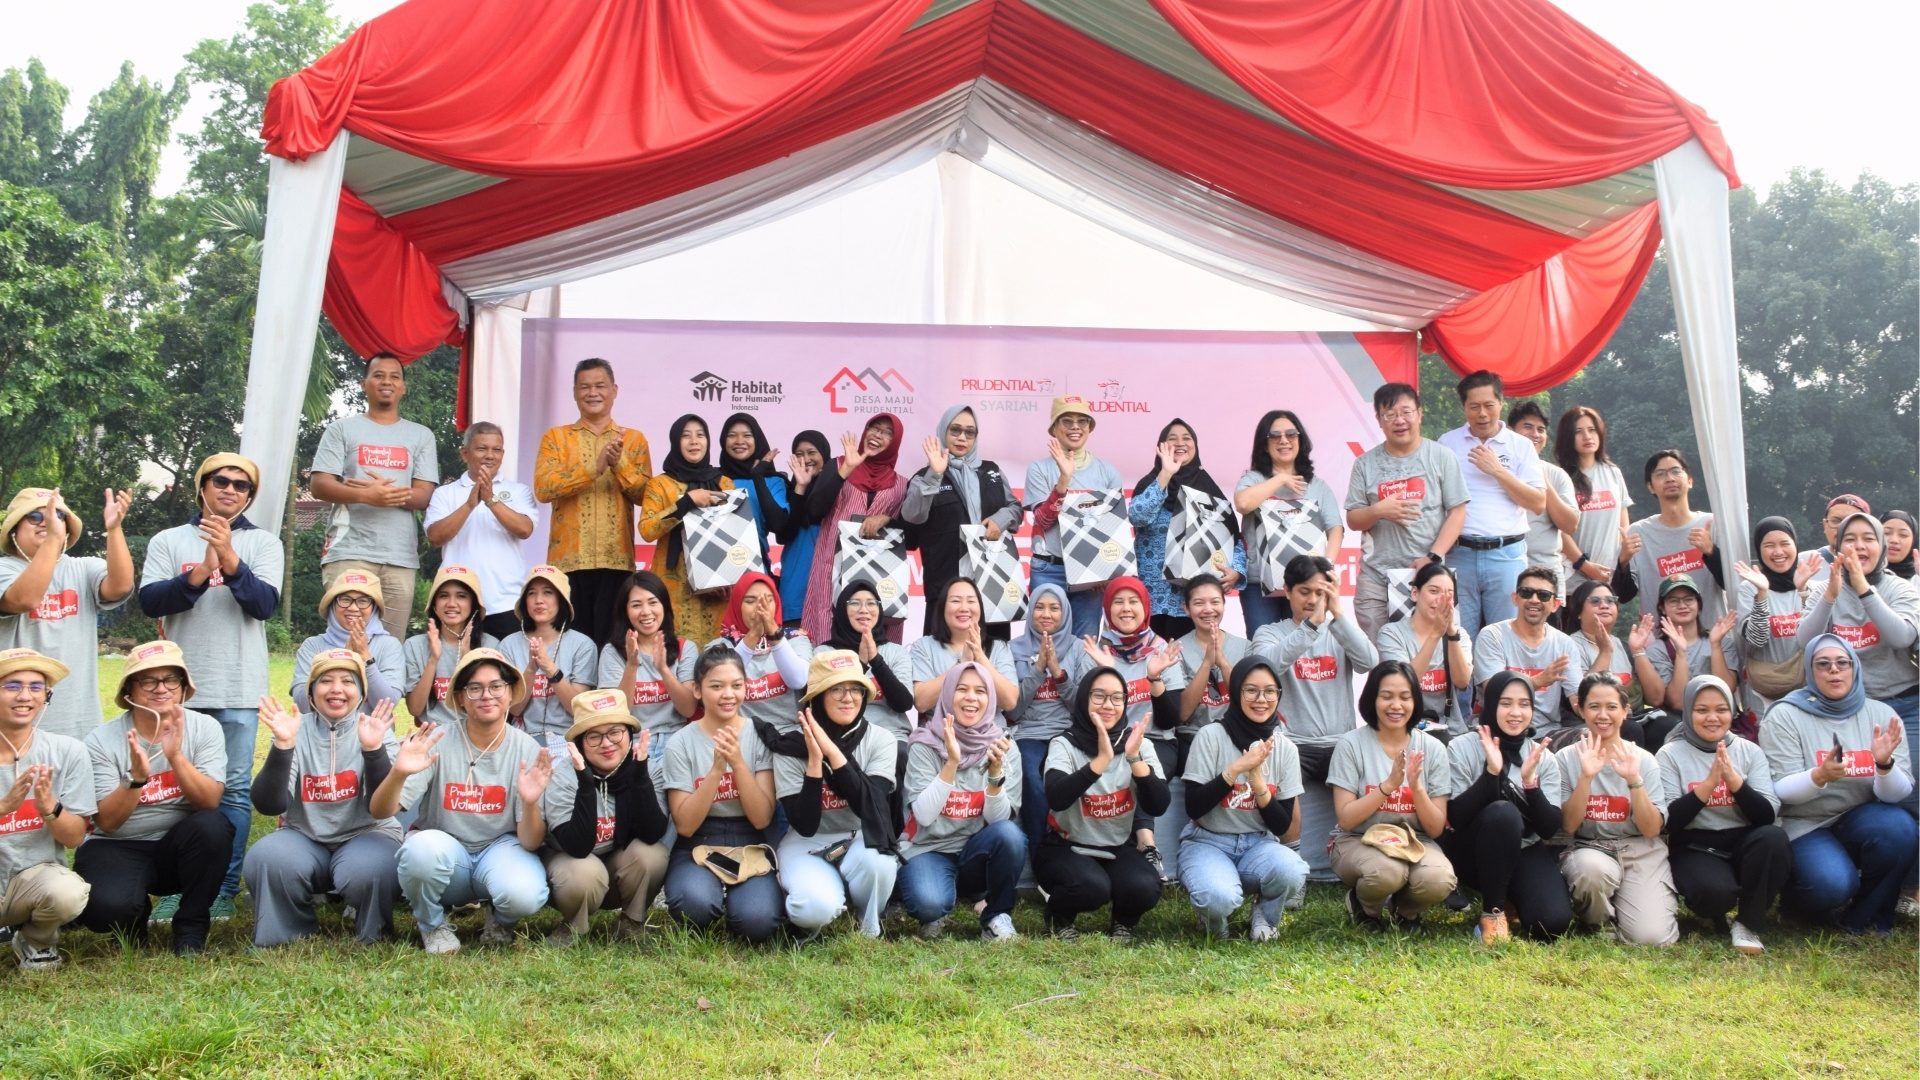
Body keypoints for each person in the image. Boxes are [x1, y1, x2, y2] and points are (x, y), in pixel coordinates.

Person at [137, 452, 283, 920]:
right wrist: (201, 570)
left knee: (234, 791)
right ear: (202, 486)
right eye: (221, 481)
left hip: (239, 687)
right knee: (181, 788)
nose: (231, 490)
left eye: (242, 486)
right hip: (178, 690)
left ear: (249, 496)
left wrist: (231, 559)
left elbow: (263, 605)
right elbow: (150, 600)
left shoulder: (264, 544)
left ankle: (221, 889)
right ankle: (181, 887)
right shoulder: (167, 539)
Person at [373, 648, 553, 954]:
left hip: (500, 849)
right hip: (447, 850)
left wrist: (532, 803)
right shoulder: (438, 739)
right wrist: (399, 773)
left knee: (524, 894)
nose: (487, 695)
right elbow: (381, 810)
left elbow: (531, 841)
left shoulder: (526, 748)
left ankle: (501, 920)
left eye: (497, 686)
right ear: (459, 698)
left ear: (510, 693)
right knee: (418, 852)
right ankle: (431, 924)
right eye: (474, 688)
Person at [74, 641, 232, 953]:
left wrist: (176, 758)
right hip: (117, 846)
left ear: (183, 687)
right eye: (148, 680)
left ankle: (191, 924)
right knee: (105, 910)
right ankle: (133, 919)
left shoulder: (205, 728)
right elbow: (108, 821)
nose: (161, 688)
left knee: (214, 826)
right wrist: (135, 780)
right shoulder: (101, 741)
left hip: (179, 845)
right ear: (129, 691)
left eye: (171, 679)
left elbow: (209, 802)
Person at [242, 651, 402, 948]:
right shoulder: (294, 728)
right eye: (325, 681)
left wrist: (373, 750)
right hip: (303, 834)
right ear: (312, 691)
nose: (336, 689)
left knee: (370, 870)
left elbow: (381, 808)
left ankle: (373, 933)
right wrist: (283, 745)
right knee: (266, 858)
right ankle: (288, 931)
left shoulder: (377, 730)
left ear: (361, 691)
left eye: (347, 681)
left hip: (368, 833)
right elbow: (268, 805)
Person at [1760, 634, 1916, 934]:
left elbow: (1898, 793)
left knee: (1901, 829)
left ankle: (1862, 919)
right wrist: (1818, 776)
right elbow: (1778, 790)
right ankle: (1796, 901)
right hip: (1805, 823)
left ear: (1854, 668)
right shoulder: (1784, 715)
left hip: (1861, 818)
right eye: (1823, 664)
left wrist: (1884, 765)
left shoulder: (1882, 714)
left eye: (1842, 663)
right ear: (1810, 670)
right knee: (1830, 885)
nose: (1834, 670)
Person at [1250, 554, 1378, 881]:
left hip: (1341, 743)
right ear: (1288, 592)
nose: (1312, 599)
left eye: (1320, 592)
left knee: (1376, 787)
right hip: (1292, 744)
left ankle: (1370, 865)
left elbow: (1369, 662)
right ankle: (1289, 872)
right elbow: (1265, 668)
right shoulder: (1271, 632)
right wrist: (1309, 628)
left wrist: (1338, 613)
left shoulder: (1340, 630)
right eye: (1304, 591)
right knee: (1279, 787)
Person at [1654, 674, 1788, 954]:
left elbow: (1766, 815)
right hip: (1694, 845)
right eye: (1702, 710)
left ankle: (1748, 923)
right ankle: (1714, 912)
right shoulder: (1669, 754)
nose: (1712, 717)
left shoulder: (1749, 751)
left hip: (1744, 840)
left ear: (1731, 711)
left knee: (1773, 839)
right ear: (1689, 712)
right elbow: (1669, 821)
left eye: (1721, 709)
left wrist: (1734, 781)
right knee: (1714, 894)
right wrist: (1709, 784)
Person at [1542, 672, 1679, 946]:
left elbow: (1652, 829)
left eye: (1612, 707)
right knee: (1591, 871)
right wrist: (1586, 777)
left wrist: (1634, 782)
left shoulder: (1645, 761)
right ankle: (1598, 920)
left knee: (1652, 938)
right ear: (1581, 709)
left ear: (1626, 711)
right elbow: (1568, 825)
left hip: (1640, 850)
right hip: (1591, 848)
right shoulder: (1565, 759)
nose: (1603, 715)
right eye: (1594, 706)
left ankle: (1630, 910)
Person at [1178, 656, 1309, 939]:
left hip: (1258, 844)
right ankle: (1214, 922)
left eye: (1270, 691)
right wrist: (1236, 769)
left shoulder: (1285, 749)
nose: (1261, 699)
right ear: (1236, 692)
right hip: (1208, 841)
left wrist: (1258, 783)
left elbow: (1282, 827)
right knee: (1217, 897)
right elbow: (1194, 807)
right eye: (1251, 690)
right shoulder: (1210, 736)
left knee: (1292, 870)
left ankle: (1265, 916)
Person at [774, 650, 902, 939]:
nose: (849, 697)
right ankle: (827, 894)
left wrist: (831, 752)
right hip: (807, 843)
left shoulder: (882, 739)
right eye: (836, 689)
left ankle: (867, 922)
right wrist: (814, 762)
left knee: (880, 863)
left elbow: (870, 807)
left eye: (855, 688)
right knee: (811, 909)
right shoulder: (789, 744)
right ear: (817, 697)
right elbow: (805, 824)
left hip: (860, 837)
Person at [658, 648, 784, 943]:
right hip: (698, 841)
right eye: (716, 686)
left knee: (758, 921)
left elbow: (762, 816)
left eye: (736, 685)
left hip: (750, 839)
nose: (728, 694)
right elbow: (685, 825)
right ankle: (710, 897)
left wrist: (738, 763)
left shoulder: (760, 734)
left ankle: (741, 904)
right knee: (694, 906)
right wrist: (716, 771)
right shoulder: (681, 742)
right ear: (697, 690)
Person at [309, 354, 440, 638]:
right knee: (345, 642)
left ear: (403, 387)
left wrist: (386, 495)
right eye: (379, 375)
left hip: (400, 557)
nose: (387, 382)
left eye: (395, 376)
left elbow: (424, 495)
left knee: (390, 646)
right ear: (363, 384)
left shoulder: (421, 435)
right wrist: (368, 496)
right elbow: (319, 484)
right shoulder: (342, 429)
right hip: (349, 552)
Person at [1035, 668, 1169, 940]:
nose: (1108, 705)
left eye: (1117, 698)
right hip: (1065, 846)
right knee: (1092, 888)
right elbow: (1057, 798)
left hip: (1117, 845)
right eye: (1099, 696)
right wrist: (1100, 762)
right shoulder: (1064, 743)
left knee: (1145, 886)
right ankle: (1058, 917)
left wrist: (1134, 760)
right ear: (1084, 698)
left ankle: (1123, 921)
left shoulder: (1137, 743)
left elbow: (1158, 805)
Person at [898, 662, 1026, 940]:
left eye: (980, 691)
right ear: (947, 695)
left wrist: (994, 777)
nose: (971, 697)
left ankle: (996, 915)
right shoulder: (925, 743)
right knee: (929, 903)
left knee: (1011, 835)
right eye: (961, 689)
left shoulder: (1003, 746)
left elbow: (999, 822)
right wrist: (952, 763)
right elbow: (923, 816)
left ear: (990, 699)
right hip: (928, 848)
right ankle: (941, 903)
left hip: (974, 849)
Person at [533, 358, 654, 648]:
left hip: (617, 561)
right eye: (585, 387)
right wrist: (594, 468)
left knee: (613, 643)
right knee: (570, 644)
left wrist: (620, 464)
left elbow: (645, 496)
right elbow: (544, 488)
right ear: (574, 392)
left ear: (614, 390)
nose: (593, 392)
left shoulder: (634, 439)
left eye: (600, 386)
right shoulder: (557, 437)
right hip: (568, 563)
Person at [1443, 672, 1572, 943]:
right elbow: (1456, 816)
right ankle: (1493, 913)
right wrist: (1491, 773)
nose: (1516, 712)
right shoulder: (1462, 748)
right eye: (1506, 703)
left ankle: (1511, 896)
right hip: (1473, 850)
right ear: (1490, 705)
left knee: (1551, 924)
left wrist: (1529, 784)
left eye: (1524, 704)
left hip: (1524, 848)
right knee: (1503, 813)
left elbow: (1549, 828)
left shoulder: (1542, 756)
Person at [1329, 662, 1457, 931]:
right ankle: (1366, 908)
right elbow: (1347, 819)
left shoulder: (1432, 748)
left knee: (1440, 879)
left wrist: (1416, 787)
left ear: (1415, 701)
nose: (1396, 705)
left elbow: (1434, 828)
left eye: (1404, 697)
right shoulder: (1351, 745)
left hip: (1417, 840)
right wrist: (1388, 786)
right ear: (1372, 698)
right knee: (1387, 872)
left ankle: (1406, 913)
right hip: (1359, 839)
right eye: (1386, 696)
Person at [0, 486, 134, 740]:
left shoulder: (83, 568)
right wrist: (52, 537)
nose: (47, 523)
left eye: (58, 517)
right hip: (14, 729)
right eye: (36, 517)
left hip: (80, 724)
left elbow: (120, 586)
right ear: (14, 528)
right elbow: (24, 599)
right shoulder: (4, 568)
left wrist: (114, 530)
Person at [540, 688, 670, 946]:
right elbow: (576, 846)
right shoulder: (563, 776)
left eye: (615, 732)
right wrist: (586, 784)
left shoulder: (646, 768)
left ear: (628, 733)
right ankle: (574, 927)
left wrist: (640, 776)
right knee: (586, 872)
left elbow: (652, 832)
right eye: (594, 737)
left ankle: (632, 922)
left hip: (615, 864)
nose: (607, 743)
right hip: (570, 864)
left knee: (652, 854)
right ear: (580, 744)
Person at [1077, 577, 1185, 881]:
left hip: (1156, 739)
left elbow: (1168, 721)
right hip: (1109, 740)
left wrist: (1154, 679)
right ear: (1107, 609)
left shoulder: (1163, 651)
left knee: (1139, 769)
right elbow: (1088, 716)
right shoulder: (1097, 653)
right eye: (1118, 602)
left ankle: (1147, 845)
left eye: (1133, 601)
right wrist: (1104, 670)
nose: (1126, 609)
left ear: (1146, 607)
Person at [1344, 383, 1468, 638]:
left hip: (1427, 575)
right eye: (1389, 414)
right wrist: (1378, 510)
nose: (1399, 420)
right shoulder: (1364, 464)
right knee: (1383, 662)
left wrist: (1432, 558)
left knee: (1430, 659)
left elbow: (1457, 512)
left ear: (1420, 414)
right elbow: (1353, 520)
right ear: (1379, 420)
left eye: (1406, 412)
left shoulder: (1442, 457)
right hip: (1376, 579)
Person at [0, 649, 93, 971]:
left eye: (36, 687)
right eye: (12, 686)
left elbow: (74, 838)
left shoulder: (67, 751)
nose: (25, 696)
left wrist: (49, 808)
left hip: (32, 881)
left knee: (68, 892)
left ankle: (36, 941)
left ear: (46, 697)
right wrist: (3, 808)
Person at [1436, 372, 1546, 640]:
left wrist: (1498, 471)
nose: (1482, 414)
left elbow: (1538, 503)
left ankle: (1505, 685)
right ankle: (1464, 686)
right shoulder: (1446, 444)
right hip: (1459, 554)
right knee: (1458, 639)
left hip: (1506, 554)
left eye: (1489, 405)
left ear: (1501, 403)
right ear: (1464, 407)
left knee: (1506, 639)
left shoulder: (1520, 446)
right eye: (1474, 407)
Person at [1796, 513, 1919, 749]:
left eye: (1868, 539)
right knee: (1856, 783)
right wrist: (1830, 598)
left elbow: (1902, 637)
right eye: (1850, 539)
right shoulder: (1825, 589)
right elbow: (1804, 641)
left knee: (1907, 783)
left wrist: (1862, 587)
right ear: (1837, 548)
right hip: (1847, 707)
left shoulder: (1901, 588)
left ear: (1881, 547)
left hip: (1904, 704)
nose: (1859, 546)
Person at [901, 404, 1023, 639]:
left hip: (991, 583)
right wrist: (934, 475)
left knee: (992, 657)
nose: (962, 438)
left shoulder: (991, 471)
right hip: (946, 584)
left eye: (970, 432)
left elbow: (1015, 508)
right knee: (943, 657)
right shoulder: (924, 476)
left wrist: (1000, 519)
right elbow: (912, 517)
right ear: (943, 432)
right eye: (955, 430)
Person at [1128, 418, 1245, 641]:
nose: (1180, 443)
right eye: (1172, 439)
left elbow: (1232, 538)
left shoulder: (1208, 488)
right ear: (1161, 447)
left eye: (1187, 438)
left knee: (1190, 664)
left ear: (1196, 446)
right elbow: (1138, 517)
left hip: (1194, 598)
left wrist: (1236, 571)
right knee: (1153, 666)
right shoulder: (1150, 483)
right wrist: (1165, 474)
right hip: (1152, 595)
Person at [1162, 576, 1249, 867]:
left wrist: (1222, 661)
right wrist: (1205, 663)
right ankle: (1201, 844)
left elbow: (1249, 704)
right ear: (1186, 608)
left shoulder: (1244, 646)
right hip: (1193, 734)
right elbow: (1182, 713)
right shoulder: (1177, 649)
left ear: (1225, 604)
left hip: (1236, 733)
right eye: (1198, 603)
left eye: (1215, 602)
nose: (1207, 609)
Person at [802, 414, 909, 646]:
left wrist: (887, 518)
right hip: (832, 569)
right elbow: (814, 510)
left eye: (887, 433)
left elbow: (911, 534)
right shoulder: (838, 464)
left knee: (877, 643)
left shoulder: (902, 484)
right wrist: (846, 470)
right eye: (874, 428)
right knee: (828, 641)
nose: (878, 435)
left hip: (879, 575)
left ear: (895, 442)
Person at [1025, 395, 1128, 636]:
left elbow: (1114, 527)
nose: (1075, 427)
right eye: (1067, 421)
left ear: (1090, 428)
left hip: (1091, 573)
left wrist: (1107, 568)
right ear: (1054, 428)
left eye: (1082, 421)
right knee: (1046, 641)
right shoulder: (1039, 469)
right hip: (1050, 568)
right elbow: (1043, 520)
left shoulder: (1107, 472)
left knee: (1085, 643)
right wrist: (1064, 480)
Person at [1234, 409, 1343, 634]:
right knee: (1264, 652)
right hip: (1259, 586)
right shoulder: (1254, 479)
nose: (1284, 440)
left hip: (1306, 584)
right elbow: (1243, 504)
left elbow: (1335, 528)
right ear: (1265, 445)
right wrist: (1280, 478)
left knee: (1304, 649)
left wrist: (1325, 566)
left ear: (1300, 440)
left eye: (1291, 434)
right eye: (1275, 436)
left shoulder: (1317, 486)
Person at [425, 422, 535, 641]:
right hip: (459, 604)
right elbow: (435, 537)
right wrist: (469, 505)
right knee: (460, 672)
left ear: (503, 454)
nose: (490, 456)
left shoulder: (518, 491)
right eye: (482, 449)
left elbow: (525, 529)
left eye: (496, 450)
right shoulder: (445, 494)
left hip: (507, 602)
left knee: (507, 673)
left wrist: (491, 500)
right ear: (464, 453)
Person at [1007, 582, 1091, 857]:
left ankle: (1075, 849)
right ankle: (1040, 852)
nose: (1046, 614)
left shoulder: (1079, 648)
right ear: (1030, 611)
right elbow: (1013, 710)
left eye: (1054, 608)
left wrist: (1058, 673)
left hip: (1067, 732)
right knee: (1031, 777)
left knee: (1068, 777)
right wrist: (1038, 669)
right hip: (1028, 731)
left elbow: (1082, 708)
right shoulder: (1013, 649)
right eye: (1039, 607)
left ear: (1065, 613)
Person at [637, 414, 734, 645]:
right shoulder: (660, 484)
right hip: (672, 586)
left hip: (716, 589)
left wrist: (723, 580)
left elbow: (735, 537)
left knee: (716, 660)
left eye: (700, 435)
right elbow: (647, 530)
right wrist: (686, 503)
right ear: (675, 442)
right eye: (686, 435)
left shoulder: (725, 483)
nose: (694, 441)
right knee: (675, 653)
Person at [595, 570, 698, 775]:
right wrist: (632, 666)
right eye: (636, 605)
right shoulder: (612, 652)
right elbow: (616, 715)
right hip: (631, 743)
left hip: (677, 739)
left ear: (665, 606)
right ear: (625, 611)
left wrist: (663, 670)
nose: (646, 611)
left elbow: (688, 709)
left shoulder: (685, 648)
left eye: (653, 602)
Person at [1615, 450, 1726, 624]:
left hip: (1713, 639)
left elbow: (1732, 584)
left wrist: (1710, 552)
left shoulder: (1713, 524)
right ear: (1650, 486)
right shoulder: (1638, 533)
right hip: (1661, 644)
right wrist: (1622, 562)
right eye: (1660, 474)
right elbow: (1623, 596)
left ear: (1689, 480)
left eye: (1676, 471)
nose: (1670, 478)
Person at [1471, 566, 1584, 733]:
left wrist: (1599, 707)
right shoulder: (1492, 636)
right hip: (1498, 730)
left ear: (1555, 604)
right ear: (1515, 598)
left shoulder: (1564, 643)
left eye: (1543, 595)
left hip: (1548, 732)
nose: (1534, 600)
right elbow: (1494, 690)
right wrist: (1538, 681)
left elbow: (1576, 699)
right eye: (1526, 593)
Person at [1727, 518, 1819, 718]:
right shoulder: (1749, 588)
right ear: (1759, 551)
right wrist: (1762, 594)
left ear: (1796, 546)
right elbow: (1757, 639)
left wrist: (1803, 591)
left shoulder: (1809, 585)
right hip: (1765, 691)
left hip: (1808, 689)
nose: (1778, 552)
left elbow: (1817, 638)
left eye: (1785, 544)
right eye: (1769, 545)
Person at [710, 573, 813, 746]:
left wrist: (774, 635)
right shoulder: (720, 646)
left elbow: (798, 680)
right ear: (737, 605)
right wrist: (753, 636)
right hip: (741, 736)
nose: (760, 608)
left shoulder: (795, 638)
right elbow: (722, 680)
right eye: (750, 601)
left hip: (789, 734)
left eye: (768, 600)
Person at [499, 566, 598, 742]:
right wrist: (530, 670)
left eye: (548, 593)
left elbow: (579, 710)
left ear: (561, 600)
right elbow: (514, 709)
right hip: (521, 739)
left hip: (569, 739)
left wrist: (550, 669)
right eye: (531, 593)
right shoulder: (508, 645)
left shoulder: (583, 645)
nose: (539, 600)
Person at [818, 581, 916, 753]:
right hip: (842, 734)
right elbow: (819, 704)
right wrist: (861, 664)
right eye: (855, 603)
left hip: (891, 735)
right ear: (842, 609)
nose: (864, 609)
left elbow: (903, 704)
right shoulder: (825, 653)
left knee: (901, 754)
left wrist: (876, 660)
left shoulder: (896, 652)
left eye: (871, 603)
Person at [1375, 562, 1472, 734]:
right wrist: (1435, 635)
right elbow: (1404, 683)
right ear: (1415, 593)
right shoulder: (1391, 633)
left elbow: (1462, 681)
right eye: (1434, 591)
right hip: (1406, 729)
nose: (1441, 599)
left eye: (1448, 593)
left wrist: (1451, 633)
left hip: (1451, 730)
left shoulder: (1460, 635)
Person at [292, 570, 405, 714]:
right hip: (321, 735)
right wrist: (344, 659)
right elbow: (303, 704)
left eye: (363, 601)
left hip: (374, 734)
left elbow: (386, 705)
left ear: (374, 607)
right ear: (333, 604)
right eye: (345, 599)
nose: (353, 608)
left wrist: (365, 657)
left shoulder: (389, 645)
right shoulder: (313, 645)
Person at [403, 565, 498, 728]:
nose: (451, 603)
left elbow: (489, 709)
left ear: (473, 604)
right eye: (443, 596)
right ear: (434, 604)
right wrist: (433, 659)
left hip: (477, 734)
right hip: (434, 735)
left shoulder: (491, 645)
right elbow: (415, 708)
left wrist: (468, 662)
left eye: (461, 596)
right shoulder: (414, 646)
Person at [909, 577, 1020, 714]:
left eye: (971, 601)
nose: (964, 608)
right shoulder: (924, 646)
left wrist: (980, 657)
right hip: (940, 731)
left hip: (990, 733)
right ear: (943, 607)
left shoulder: (999, 647)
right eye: (955, 601)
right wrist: (962, 664)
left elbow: (1009, 702)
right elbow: (921, 703)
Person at [1554, 406, 1634, 589]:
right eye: (1578, 432)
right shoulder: (1560, 477)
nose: (1587, 437)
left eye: (1592, 430)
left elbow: (1623, 526)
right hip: (1572, 580)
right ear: (1567, 437)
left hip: (1608, 579)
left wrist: (1620, 564)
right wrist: (1585, 566)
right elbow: (1560, 531)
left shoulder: (1613, 473)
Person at [1508, 402, 1578, 599]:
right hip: (1505, 574)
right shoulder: (1495, 470)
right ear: (1510, 431)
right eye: (1527, 427)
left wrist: (1541, 479)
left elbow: (1570, 525)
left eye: (1541, 430)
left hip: (1546, 578)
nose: (1535, 434)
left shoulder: (1557, 475)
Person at [1643, 573, 1738, 715]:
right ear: (1662, 608)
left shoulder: (1721, 641)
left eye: (1689, 599)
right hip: (1680, 725)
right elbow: (1678, 702)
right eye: (1674, 601)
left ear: (1699, 605)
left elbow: (1727, 689)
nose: (1682, 606)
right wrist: (1681, 653)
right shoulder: (1656, 650)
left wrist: (1716, 645)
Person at [1561, 581, 1656, 718]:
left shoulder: (1623, 645)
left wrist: (1638, 650)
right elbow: (1581, 702)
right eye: (1595, 601)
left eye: (1610, 601)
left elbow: (1656, 699)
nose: (1604, 605)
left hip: (1634, 716)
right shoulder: (1569, 645)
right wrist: (1605, 652)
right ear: (1578, 612)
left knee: (1665, 725)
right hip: (1597, 721)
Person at [716, 412, 791, 573]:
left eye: (747, 435)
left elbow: (778, 525)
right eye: (732, 435)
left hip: (756, 570)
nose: (739, 441)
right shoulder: (712, 478)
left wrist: (758, 477)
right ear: (723, 440)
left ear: (757, 439)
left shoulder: (774, 481)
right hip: (714, 572)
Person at [774, 430, 832, 630]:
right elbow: (783, 534)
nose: (805, 459)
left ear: (824, 455)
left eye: (811, 452)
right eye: (799, 454)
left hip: (829, 591)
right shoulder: (787, 491)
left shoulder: (839, 492)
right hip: (795, 591)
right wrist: (800, 488)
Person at [1882, 510, 1916, 581]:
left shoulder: (1917, 580)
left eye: (1903, 535)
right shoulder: (1861, 574)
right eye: (1886, 533)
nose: (1894, 540)